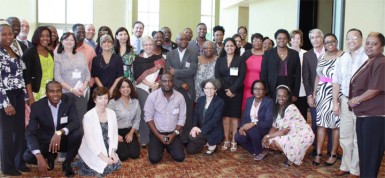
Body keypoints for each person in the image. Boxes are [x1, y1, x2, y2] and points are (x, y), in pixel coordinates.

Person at [23, 81, 82, 177]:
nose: (55, 94)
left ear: (62, 92)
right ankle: (50, 156)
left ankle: (67, 163)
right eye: (51, 91)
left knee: (77, 134)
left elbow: (75, 123)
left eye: (58, 91)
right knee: (28, 157)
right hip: (46, 141)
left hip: (62, 139)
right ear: (46, 93)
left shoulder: (69, 101)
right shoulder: (37, 107)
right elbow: (30, 133)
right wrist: (38, 156)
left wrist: (59, 132)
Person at [348, 32, 385, 177]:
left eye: (374, 44)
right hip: (364, 114)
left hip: (376, 116)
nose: (369, 46)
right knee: (364, 154)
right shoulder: (369, 61)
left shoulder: (381, 62)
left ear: (381, 47)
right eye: (368, 43)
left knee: (371, 156)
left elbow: (375, 89)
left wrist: (357, 100)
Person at [332, 29, 367, 177]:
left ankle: (355, 169)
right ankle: (345, 165)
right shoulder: (342, 58)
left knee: (358, 137)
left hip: (362, 102)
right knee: (345, 136)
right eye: (348, 38)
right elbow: (336, 81)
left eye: (354, 38)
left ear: (361, 39)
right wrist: (335, 102)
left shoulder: (368, 58)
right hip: (345, 100)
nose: (351, 41)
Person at [0, 23, 29, 176]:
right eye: (3, 34)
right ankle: (7, 166)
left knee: (19, 132)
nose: (7, 37)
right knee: (6, 134)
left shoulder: (14, 49)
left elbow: (20, 74)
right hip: (6, 96)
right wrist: (5, 103)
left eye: (10, 34)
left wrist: (24, 95)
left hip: (18, 95)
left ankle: (19, 162)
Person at [73, 87, 121, 176]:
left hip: (107, 145)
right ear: (95, 100)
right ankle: (84, 162)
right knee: (106, 168)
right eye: (100, 98)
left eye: (106, 98)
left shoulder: (112, 113)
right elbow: (90, 141)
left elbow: (114, 134)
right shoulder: (88, 116)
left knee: (116, 164)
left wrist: (113, 152)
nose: (103, 101)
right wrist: (104, 158)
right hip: (93, 148)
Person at [262, 85, 314, 166]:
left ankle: (291, 158)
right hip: (292, 133)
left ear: (287, 97)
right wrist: (268, 138)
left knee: (275, 142)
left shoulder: (291, 108)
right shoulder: (277, 108)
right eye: (279, 96)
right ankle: (292, 154)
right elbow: (274, 126)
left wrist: (267, 136)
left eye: (284, 96)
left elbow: (284, 131)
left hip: (303, 135)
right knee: (270, 142)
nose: (281, 98)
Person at [312, 33, 343, 166]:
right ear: (324, 45)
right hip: (322, 94)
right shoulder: (322, 57)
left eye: (333, 41)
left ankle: (333, 154)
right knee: (321, 124)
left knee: (335, 125)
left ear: (337, 42)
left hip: (336, 93)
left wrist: (339, 98)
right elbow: (318, 76)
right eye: (327, 42)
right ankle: (319, 153)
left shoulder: (343, 56)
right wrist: (314, 93)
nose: (330, 44)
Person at [144, 73, 186, 164]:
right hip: (157, 133)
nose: (167, 83)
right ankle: (162, 145)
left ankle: (167, 145)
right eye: (164, 81)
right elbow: (148, 118)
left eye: (170, 81)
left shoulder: (180, 97)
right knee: (154, 159)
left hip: (173, 133)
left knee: (179, 157)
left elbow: (182, 118)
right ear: (160, 82)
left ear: (173, 82)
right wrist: (159, 136)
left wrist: (173, 135)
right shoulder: (152, 97)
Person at [302, 29, 332, 157]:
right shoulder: (307, 55)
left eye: (317, 37)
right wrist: (309, 95)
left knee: (332, 124)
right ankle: (316, 149)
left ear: (322, 38)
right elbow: (306, 77)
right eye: (312, 38)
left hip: (330, 93)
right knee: (316, 122)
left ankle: (332, 150)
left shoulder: (332, 53)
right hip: (315, 95)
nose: (315, 40)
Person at [133, 36, 165, 148]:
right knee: (146, 113)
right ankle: (144, 139)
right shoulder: (138, 59)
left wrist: (158, 84)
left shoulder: (159, 58)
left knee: (157, 113)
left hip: (157, 88)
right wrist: (150, 85)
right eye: (146, 45)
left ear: (154, 45)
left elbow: (163, 74)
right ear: (143, 46)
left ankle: (156, 138)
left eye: (150, 45)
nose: (148, 47)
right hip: (142, 88)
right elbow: (137, 76)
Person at [215, 37, 246, 152]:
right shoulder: (220, 60)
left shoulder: (240, 60)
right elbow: (217, 76)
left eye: (231, 46)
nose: (229, 48)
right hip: (223, 92)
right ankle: (226, 139)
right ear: (224, 47)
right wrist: (226, 90)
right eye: (227, 46)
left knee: (234, 117)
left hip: (236, 92)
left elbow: (241, 77)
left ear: (235, 47)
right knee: (225, 117)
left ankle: (234, 140)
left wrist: (232, 90)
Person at [166, 32, 198, 144]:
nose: (183, 41)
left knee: (187, 114)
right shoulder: (170, 54)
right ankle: (174, 137)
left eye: (185, 39)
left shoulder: (193, 54)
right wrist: (180, 83)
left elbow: (192, 71)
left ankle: (185, 139)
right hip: (173, 87)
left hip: (188, 89)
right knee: (174, 113)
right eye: (180, 39)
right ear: (176, 40)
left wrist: (176, 72)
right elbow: (168, 73)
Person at [54, 32, 90, 123]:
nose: (69, 42)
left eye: (72, 40)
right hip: (66, 94)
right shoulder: (57, 56)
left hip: (82, 93)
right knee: (66, 121)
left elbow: (87, 74)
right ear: (62, 41)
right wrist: (72, 90)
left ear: (75, 42)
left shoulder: (81, 55)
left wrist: (84, 86)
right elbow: (57, 77)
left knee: (81, 119)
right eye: (66, 39)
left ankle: (80, 137)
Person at [235, 80, 273, 160]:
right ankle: (259, 151)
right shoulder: (249, 100)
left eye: (261, 89)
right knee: (238, 137)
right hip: (249, 128)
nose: (258, 91)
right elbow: (245, 116)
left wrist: (253, 123)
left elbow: (269, 122)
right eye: (255, 89)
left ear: (265, 91)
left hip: (263, 128)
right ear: (252, 90)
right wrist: (242, 127)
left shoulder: (269, 102)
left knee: (252, 130)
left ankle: (259, 152)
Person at [187, 78, 224, 156]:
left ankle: (212, 144)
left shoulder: (220, 102)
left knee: (192, 138)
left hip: (213, 130)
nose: (209, 90)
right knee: (190, 150)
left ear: (215, 89)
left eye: (212, 88)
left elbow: (215, 120)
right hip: (201, 129)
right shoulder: (200, 100)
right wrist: (194, 127)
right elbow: (196, 115)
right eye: (206, 88)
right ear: (203, 89)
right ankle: (205, 142)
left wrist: (200, 130)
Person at [261, 29, 301, 100]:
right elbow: (264, 73)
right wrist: (265, 90)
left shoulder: (294, 54)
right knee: (272, 108)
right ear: (276, 39)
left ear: (288, 40)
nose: (282, 40)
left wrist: (295, 93)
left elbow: (298, 75)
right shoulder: (268, 53)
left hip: (289, 85)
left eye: (284, 38)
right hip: (272, 87)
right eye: (279, 38)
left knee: (287, 109)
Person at [107, 78, 141, 161]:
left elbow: (137, 119)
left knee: (135, 154)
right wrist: (115, 135)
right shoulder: (113, 102)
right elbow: (107, 120)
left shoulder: (135, 101)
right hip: (116, 131)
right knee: (123, 156)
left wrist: (131, 133)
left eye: (128, 87)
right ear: (119, 89)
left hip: (130, 131)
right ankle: (109, 145)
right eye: (123, 87)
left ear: (131, 88)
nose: (126, 89)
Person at [23, 26, 54, 104]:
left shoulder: (50, 52)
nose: (45, 38)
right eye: (42, 36)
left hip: (50, 91)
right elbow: (26, 77)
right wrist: (31, 98)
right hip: (36, 92)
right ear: (37, 37)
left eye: (47, 36)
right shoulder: (29, 53)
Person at [241, 33, 264, 110]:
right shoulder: (246, 53)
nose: (257, 42)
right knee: (245, 110)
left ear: (262, 42)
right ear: (251, 42)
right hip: (246, 88)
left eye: (259, 40)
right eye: (255, 40)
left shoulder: (267, 55)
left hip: (260, 90)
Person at [289, 30, 308, 119]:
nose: (295, 40)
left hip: (302, 89)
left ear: (301, 41)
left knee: (302, 115)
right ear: (290, 40)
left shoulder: (306, 54)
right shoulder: (286, 52)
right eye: (293, 38)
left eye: (298, 38)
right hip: (289, 88)